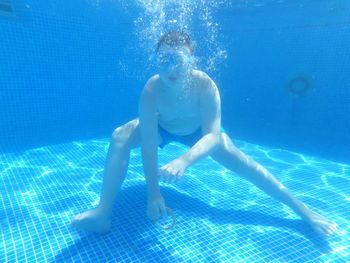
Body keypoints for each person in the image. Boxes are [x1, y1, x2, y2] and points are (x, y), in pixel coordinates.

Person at [71, 31, 337, 237]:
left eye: (179, 59)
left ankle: (303, 211)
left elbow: (212, 136)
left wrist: (183, 160)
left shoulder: (205, 85)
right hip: (164, 129)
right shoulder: (151, 90)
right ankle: (102, 213)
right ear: (156, 61)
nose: (171, 68)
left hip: (199, 134)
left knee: (245, 164)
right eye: (164, 59)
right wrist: (154, 193)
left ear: (192, 61)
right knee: (120, 135)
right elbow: (149, 142)